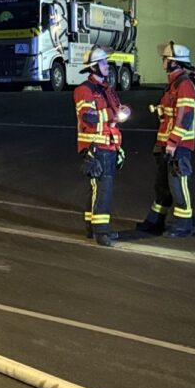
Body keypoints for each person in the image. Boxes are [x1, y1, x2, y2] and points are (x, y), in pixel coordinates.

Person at [137, 41, 195, 238]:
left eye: (165, 58)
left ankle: (183, 225)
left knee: (178, 186)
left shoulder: (184, 85)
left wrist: (173, 142)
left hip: (178, 146)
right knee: (162, 186)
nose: (162, 61)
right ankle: (155, 221)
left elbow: (185, 116)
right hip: (165, 144)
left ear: (174, 62)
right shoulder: (173, 84)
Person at [73, 46, 131, 247]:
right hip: (96, 146)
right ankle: (101, 232)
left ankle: (92, 227)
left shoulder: (107, 89)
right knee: (103, 189)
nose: (108, 66)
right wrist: (111, 113)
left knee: (98, 188)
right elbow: (87, 116)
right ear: (94, 67)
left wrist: (124, 110)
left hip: (109, 145)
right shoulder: (84, 90)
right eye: (104, 63)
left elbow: (116, 112)